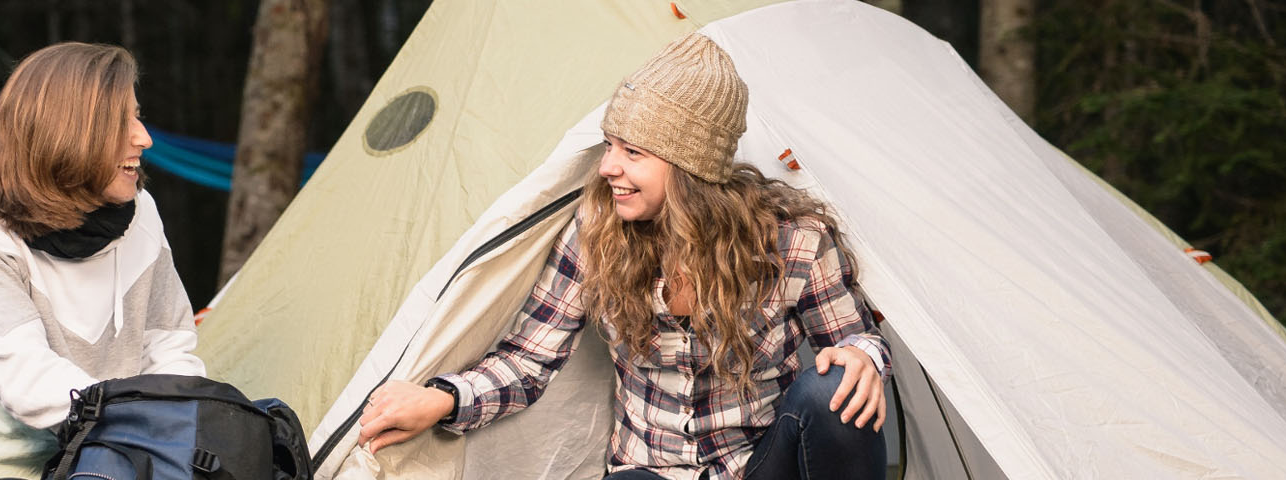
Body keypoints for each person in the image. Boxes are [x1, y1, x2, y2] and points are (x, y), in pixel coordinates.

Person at [354, 33, 891, 480]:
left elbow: (856, 339)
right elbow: (529, 357)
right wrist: (443, 400)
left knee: (833, 387)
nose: (608, 167)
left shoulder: (793, 242)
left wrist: (865, 355)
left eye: (632, 153)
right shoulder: (596, 234)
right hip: (648, 471)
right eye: (610, 145)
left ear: (690, 169)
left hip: (755, 464)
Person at [0, 42, 204, 480]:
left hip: (131, 465)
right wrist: (148, 432)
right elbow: (32, 384)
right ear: (64, 134)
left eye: (138, 115)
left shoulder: (142, 215)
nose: (144, 138)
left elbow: (170, 349)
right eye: (120, 123)